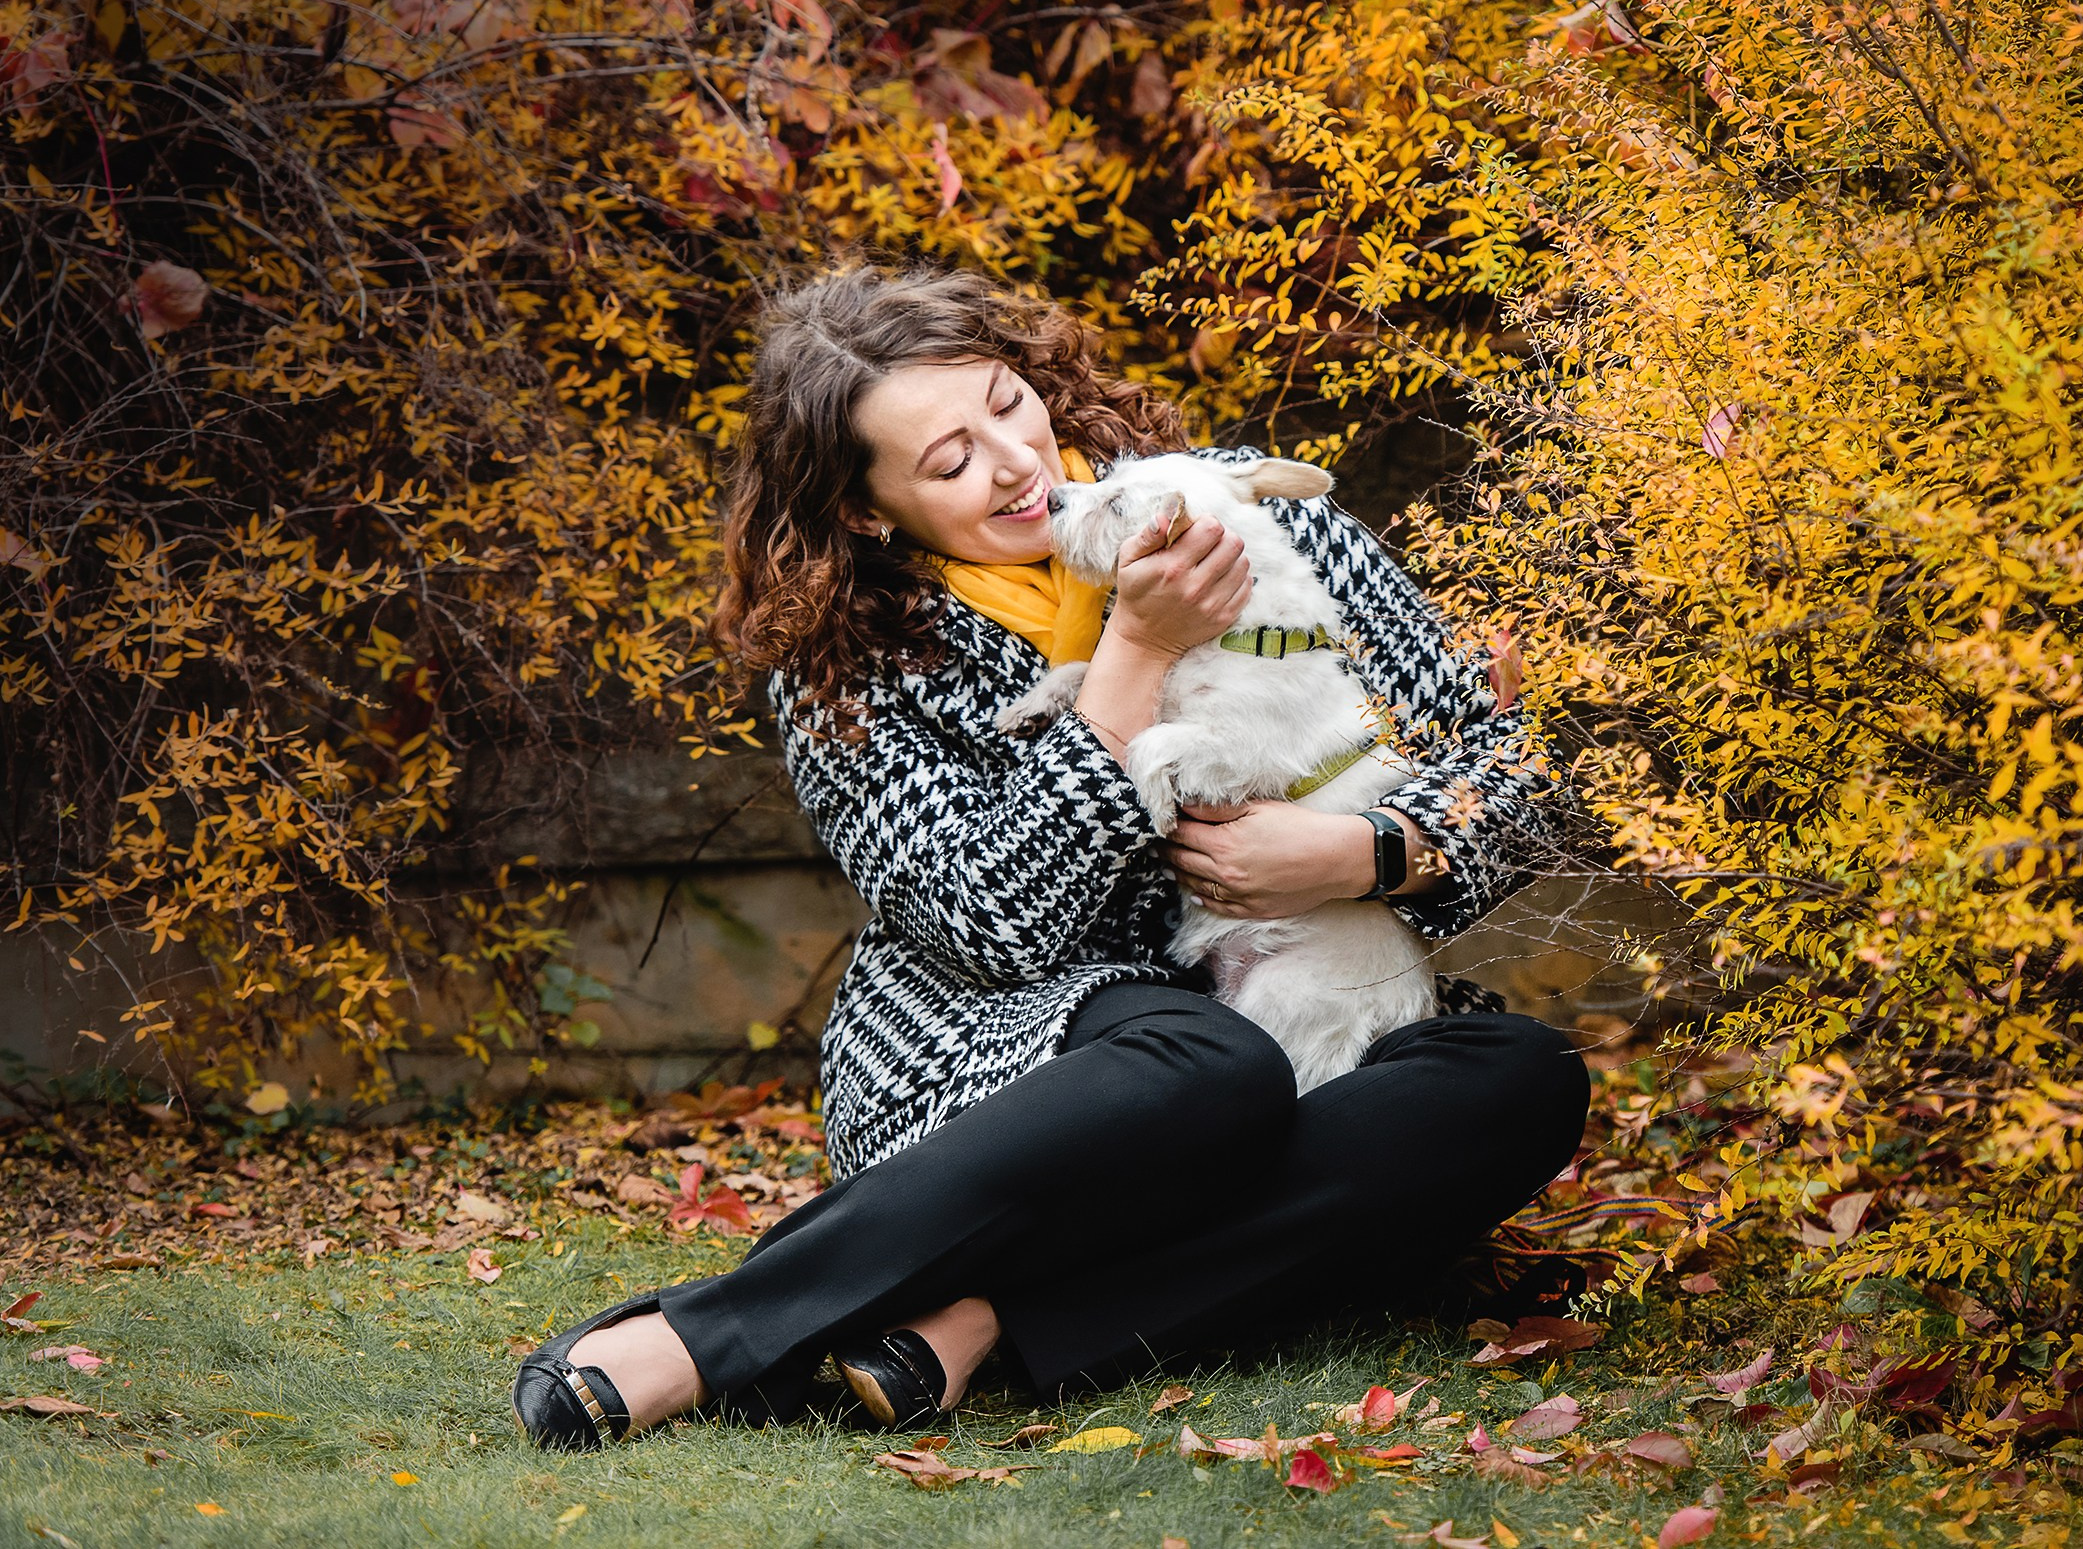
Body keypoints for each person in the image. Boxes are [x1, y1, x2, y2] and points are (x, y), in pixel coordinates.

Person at [511, 260, 1590, 1449]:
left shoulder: (1240, 512)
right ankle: (713, 1332)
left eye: (1006, 404)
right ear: (870, 511)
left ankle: (978, 1318)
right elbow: (991, 924)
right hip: (1025, 1059)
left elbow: (1516, 775)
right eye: (948, 460)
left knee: (1519, 1074)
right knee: (1206, 1064)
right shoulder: (846, 664)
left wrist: (1363, 853)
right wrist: (1131, 651)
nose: (1017, 461)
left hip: (1304, 1001)